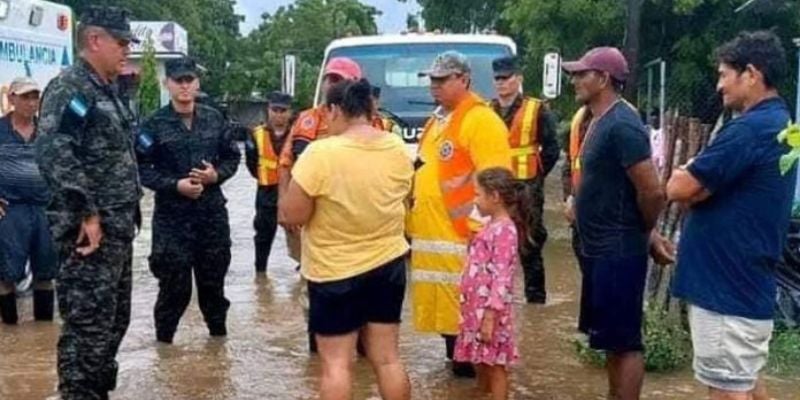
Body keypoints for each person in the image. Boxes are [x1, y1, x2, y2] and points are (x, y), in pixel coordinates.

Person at [667, 31, 795, 400]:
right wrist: (698, 184)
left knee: (726, 391)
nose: (719, 85)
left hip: (726, 290)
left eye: (724, 74)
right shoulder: (781, 125)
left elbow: (680, 188)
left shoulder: (750, 130)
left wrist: (690, 177)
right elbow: (699, 187)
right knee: (746, 383)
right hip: (746, 284)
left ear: (751, 74)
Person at [279, 78, 412, 400]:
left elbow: (292, 215)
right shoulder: (396, 147)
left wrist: (285, 188)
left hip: (334, 272)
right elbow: (406, 199)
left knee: (337, 365)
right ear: (371, 107)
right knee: (388, 359)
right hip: (389, 266)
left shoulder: (320, 153)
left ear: (335, 110)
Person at [34, 6, 142, 398]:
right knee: (87, 330)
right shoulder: (71, 89)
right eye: (121, 42)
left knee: (113, 323)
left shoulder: (105, 90)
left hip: (117, 230)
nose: (126, 50)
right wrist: (86, 211)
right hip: (90, 234)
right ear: (95, 40)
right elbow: (53, 150)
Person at [562, 47, 669, 400]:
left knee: (624, 342)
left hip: (618, 250)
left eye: (582, 74)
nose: (574, 80)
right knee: (609, 340)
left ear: (604, 79)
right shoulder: (598, 120)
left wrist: (644, 230)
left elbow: (651, 191)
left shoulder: (623, 124)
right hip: (600, 250)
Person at [408, 51, 511, 377]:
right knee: (448, 316)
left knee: (470, 314)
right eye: (432, 80)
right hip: (435, 238)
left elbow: (497, 183)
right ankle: (459, 367)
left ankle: (471, 376)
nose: (434, 87)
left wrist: (484, 235)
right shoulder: (438, 120)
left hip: (465, 238)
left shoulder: (481, 120)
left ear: (463, 79)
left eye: (442, 80)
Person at [136, 57, 241, 344]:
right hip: (172, 219)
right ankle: (164, 350)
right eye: (178, 81)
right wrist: (175, 185)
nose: (184, 86)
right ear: (166, 83)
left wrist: (215, 175)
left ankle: (218, 348)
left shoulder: (214, 118)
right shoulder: (153, 125)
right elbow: (141, 168)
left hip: (211, 217)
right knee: (174, 289)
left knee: (213, 289)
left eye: (189, 80)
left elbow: (233, 156)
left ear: (197, 83)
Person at [277, 56, 362, 353]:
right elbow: (286, 163)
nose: (332, 85)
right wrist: (283, 206)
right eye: (329, 79)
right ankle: (318, 347)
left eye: (339, 80)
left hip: (354, 220)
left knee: (359, 283)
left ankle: (359, 348)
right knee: (313, 282)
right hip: (311, 218)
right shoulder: (307, 119)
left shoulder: (372, 121)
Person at [490, 56, 560, 304]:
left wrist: (537, 178)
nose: (501, 83)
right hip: (496, 189)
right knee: (494, 244)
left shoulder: (536, 109)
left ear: (518, 79)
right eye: (497, 78)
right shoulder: (488, 111)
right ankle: (498, 299)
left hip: (527, 188)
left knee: (529, 244)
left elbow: (552, 148)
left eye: (506, 78)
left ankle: (535, 301)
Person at [454, 167, 522, 400]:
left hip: (489, 312)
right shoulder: (491, 226)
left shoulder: (505, 231)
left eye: (478, 195)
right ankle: (481, 394)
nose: (475, 200)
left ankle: (491, 394)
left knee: (495, 364)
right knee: (482, 358)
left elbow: (502, 277)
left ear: (495, 197)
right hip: (477, 309)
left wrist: (491, 317)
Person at [0, 77, 57, 324]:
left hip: (45, 208)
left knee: (46, 272)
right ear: (11, 98)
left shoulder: (47, 130)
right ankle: (10, 329)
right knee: (6, 274)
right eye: (25, 97)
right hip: (11, 210)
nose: (31, 102)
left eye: (35, 97)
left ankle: (43, 332)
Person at [245, 91, 293, 275]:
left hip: (292, 191)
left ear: (290, 112)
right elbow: (251, 163)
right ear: (268, 110)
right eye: (275, 110)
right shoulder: (256, 134)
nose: (279, 114)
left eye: (283, 110)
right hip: (266, 191)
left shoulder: (298, 133)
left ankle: (304, 271)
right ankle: (260, 272)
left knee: (299, 233)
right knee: (263, 234)